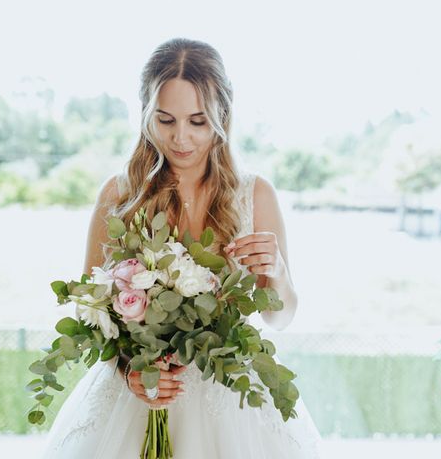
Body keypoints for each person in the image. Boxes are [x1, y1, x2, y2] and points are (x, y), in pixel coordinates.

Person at [41, 37, 322, 458]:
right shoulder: (119, 196)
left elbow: (280, 317)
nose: (181, 139)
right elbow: (92, 309)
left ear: (222, 115)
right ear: (145, 114)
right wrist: (130, 371)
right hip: (135, 400)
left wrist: (277, 273)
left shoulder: (254, 195)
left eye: (198, 121)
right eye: (166, 120)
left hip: (234, 401)